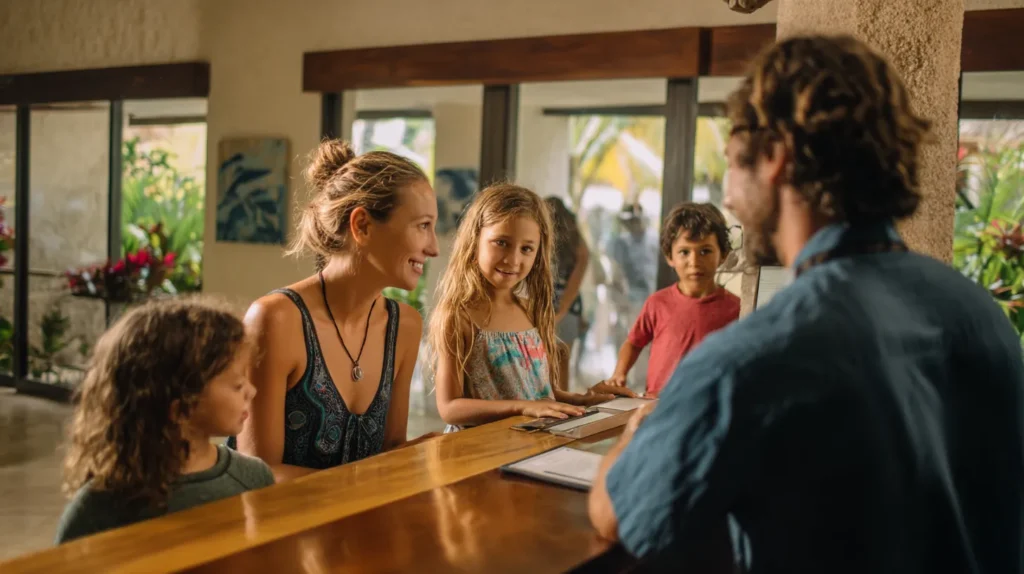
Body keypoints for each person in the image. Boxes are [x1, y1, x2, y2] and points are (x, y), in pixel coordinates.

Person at [588, 35, 1024, 572]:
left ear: (773, 157)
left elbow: (617, 515)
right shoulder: (980, 314)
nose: (725, 197)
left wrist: (638, 429)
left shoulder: (751, 358)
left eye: (729, 162)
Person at [231, 140, 439, 482]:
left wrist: (416, 456)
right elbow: (259, 474)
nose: (432, 247)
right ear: (363, 226)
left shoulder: (405, 326)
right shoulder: (276, 320)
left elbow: (389, 451)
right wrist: (368, 476)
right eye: (422, 226)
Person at [56, 298, 273, 543]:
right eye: (237, 385)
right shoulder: (100, 507)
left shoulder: (254, 478)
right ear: (179, 409)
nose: (252, 392)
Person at [430, 184, 634, 432]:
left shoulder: (531, 311)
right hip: (478, 452)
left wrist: (583, 399)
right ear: (474, 241)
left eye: (526, 248)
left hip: (528, 447)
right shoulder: (458, 316)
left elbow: (541, 395)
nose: (513, 259)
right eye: (501, 242)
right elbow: (450, 408)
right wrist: (522, 407)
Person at [602, 202, 740, 397]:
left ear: (723, 255)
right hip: (655, 407)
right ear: (669, 257)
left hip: (708, 406)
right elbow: (633, 343)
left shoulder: (737, 310)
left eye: (705, 251)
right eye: (684, 252)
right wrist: (619, 373)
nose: (694, 261)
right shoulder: (657, 303)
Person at [606, 203, 660, 390]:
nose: (633, 225)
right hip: (628, 300)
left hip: (649, 298)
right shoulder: (620, 243)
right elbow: (615, 272)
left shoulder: (654, 240)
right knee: (628, 341)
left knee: (645, 346)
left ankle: (641, 383)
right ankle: (627, 382)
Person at [544, 196, 589, 391]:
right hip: (568, 308)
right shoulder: (578, 243)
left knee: (549, 362)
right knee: (561, 363)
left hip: (552, 308)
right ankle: (560, 408)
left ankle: (554, 407)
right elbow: (575, 285)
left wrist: (556, 314)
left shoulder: (542, 241)